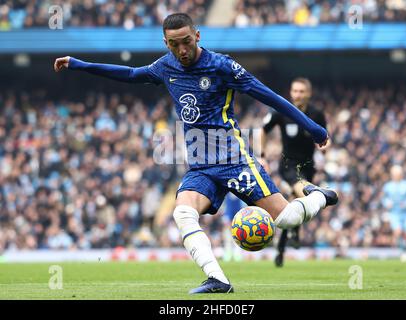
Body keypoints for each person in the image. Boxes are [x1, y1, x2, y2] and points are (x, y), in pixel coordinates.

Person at [54, 13, 338, 294]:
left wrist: (313, 128)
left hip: (233, 161)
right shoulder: (165, 67)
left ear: (198, 35)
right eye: (174, 44)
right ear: (166, 43)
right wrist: (79, 64)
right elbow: (130, 74)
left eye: (187, 41)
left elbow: (269, 96)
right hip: (201, 167)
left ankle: (318, 196)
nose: (182, 50)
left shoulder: (222, 66)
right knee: (183, 213)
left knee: (287, 219)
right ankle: (218, 280)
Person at [259, 77, 327, 267]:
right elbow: (263, 130)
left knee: (293, 205)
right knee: (304, 193)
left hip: (308, 166)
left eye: (301, 91)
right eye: (295, 91)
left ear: (309, 94)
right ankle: (295, 235)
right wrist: (262, 155)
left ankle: (282, 248)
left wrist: (324, 149)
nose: (297, 95)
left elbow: (324, 138)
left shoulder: (317, 114)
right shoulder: (281, 111)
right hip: (288, 165)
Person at [382, 165, 406, 251]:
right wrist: (387, 203)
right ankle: (402, 250)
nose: (396, 176)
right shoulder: (388, 186)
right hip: (394, 213)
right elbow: (384, 198)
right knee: (398, 232)